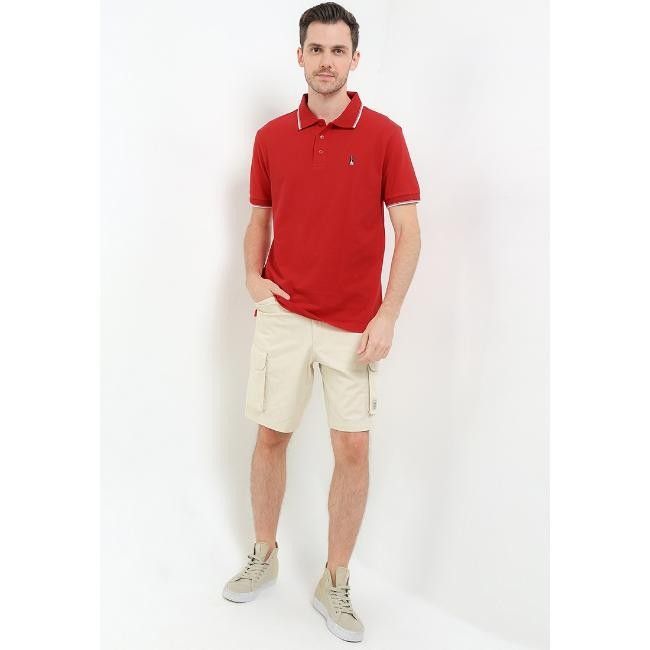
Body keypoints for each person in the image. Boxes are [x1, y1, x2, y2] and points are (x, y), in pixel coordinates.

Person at [222, 2, 421, 642]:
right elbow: (258, 219)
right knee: (271, 436)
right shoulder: (271, 137)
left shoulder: (385, 135)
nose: (326, 61)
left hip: (355, 325)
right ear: (300, 56)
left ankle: (334, 579)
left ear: (355, 59)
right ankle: (264, 552)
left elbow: (409, 232)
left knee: (353, 448)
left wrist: (388, 315)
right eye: (317, 49)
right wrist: (253, 279)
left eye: (338, 50)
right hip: (284, 314)